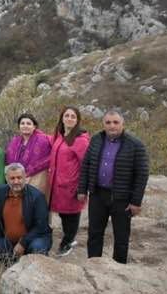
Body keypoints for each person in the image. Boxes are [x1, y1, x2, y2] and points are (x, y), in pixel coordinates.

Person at [77, 109, 149, 264]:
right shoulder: (96, 140)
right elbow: (86, 165)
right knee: (94, 233)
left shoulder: (135, 145)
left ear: (122, 124)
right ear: (103, 124)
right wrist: (82, 190)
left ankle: (119, 268)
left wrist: (136, 202)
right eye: (108, 122)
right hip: (97, 195)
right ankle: (94, 265)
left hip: (121, 198)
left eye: (116, 122)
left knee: (121, 236)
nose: (112, 126)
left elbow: (142, 174)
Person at [0, 163, 52, 263]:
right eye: (12, 178)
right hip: (8, 240)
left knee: (37, 249)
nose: (16, 181)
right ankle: (12, 262)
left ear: (25, 177)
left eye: (19, 178)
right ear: (6, 179)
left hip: (35, 238)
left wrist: (23, 242)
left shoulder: (37, 197)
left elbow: (41, 226)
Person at [49, 106, 89, 257]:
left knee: (71, 214)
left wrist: (82, 188)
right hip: (58, 184)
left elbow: (85, 164)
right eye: (67, 115)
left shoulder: (81, 140)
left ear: (77, 120)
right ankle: (67, 239)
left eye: (73, 116)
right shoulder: (60, 135)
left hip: (72, 185)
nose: (70, 118)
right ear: (62, 118)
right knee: (63, 214)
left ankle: (68, 242)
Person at [5, 114, 52, 196]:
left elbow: (50, 157)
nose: (25, 126)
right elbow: (9, 161)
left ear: (34, 126)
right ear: (19, 126)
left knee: (35, 202)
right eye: (22, 123)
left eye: (28, 123)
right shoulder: (14, 142)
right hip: (18, 179)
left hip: (38, 178)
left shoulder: (43, 140)